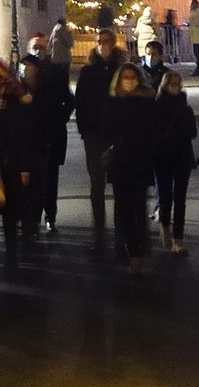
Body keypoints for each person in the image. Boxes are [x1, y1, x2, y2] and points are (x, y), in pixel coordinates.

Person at [73, 24, 125, 250]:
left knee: (120, 186)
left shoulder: (121, 69)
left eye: (107, 41)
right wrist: (85, 129)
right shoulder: (88, 71)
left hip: (116, 135)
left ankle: (121, 236)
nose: (103, 45)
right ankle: (99, 233)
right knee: (97, 184)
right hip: (94, 134)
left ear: (113, 45)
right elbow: (81, 101)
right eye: (100, 41)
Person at [103, 63, 158, 275]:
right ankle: (134, 251)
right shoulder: (112, 103)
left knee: (138, 208)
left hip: (140, 160)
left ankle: (142, 251)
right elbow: (106, 130)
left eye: (132, 77)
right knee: (125, 208)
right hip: (120, 162)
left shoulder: (146, 102)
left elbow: (153, 129)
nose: (129, 80)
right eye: (125, 77)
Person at [0, 60, 41, 262]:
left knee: (11, 209)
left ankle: (12, 250)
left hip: (12, 163)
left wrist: (24, 166)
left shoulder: (15, 100)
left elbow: (25, 133)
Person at [23, 48, 72, 232]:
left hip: (50, 139)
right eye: (23, 67)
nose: (26, 70)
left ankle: (50, 216)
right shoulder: (20, 88)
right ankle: (33, 219)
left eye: (28, 67)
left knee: (50, 181)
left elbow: (68, 101)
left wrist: (60, 118)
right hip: (30, 143)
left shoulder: (49, 86)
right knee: (32, 183)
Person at [153, 68, 198, 254]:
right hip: (163, 157)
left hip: (182, 157)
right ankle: (164, 226)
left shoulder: (185, 107)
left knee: (180, 199)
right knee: (165, 197)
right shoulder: (156, 107)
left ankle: (178, 239)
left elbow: (193, 133)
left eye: (179, 85)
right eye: (173, 84)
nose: (176, 88)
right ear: (165, 85)